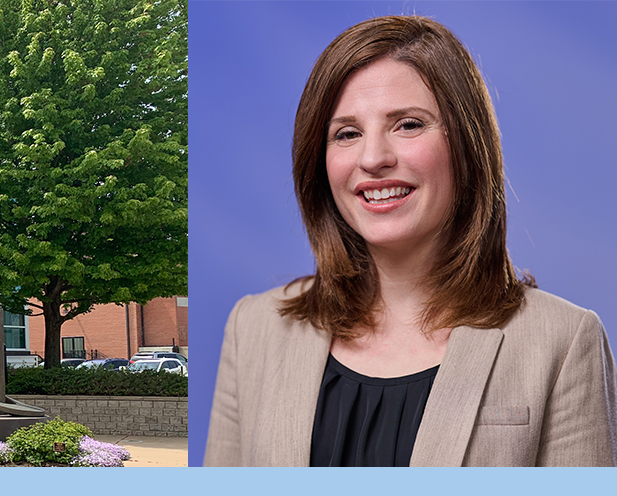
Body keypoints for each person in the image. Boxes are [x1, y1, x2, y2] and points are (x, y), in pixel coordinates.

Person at [204, 15, 617, 467]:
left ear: (466, 143)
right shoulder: (253, 328)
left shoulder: (562, 342)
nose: (374, 158)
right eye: (347, 133)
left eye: (408, 125)